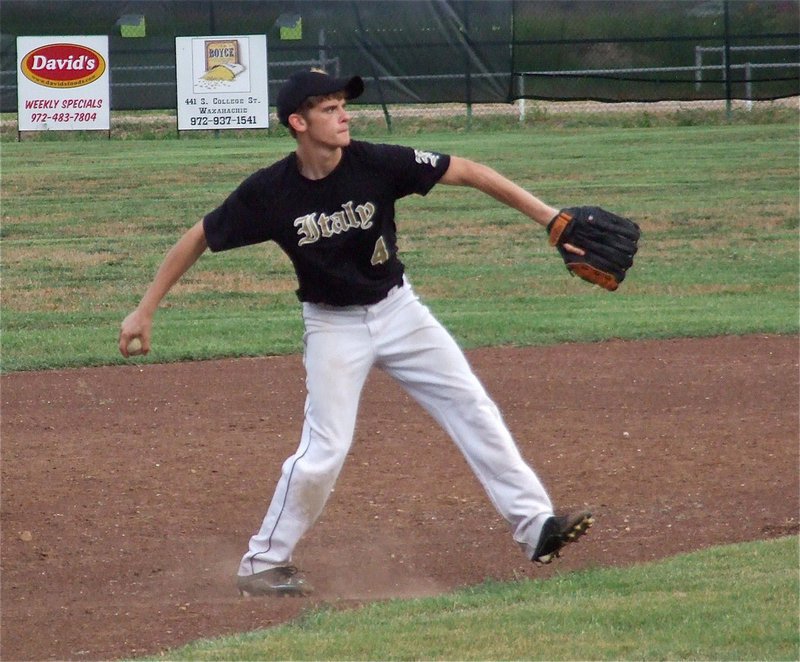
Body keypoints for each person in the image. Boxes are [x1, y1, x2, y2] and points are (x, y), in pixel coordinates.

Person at [119, 69, 592, 597]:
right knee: (325, 449)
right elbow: (199, 237)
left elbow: (470, 171)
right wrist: (144, 310)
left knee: (471, 407)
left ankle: (537, 527)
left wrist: (551, 220)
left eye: (343, 104)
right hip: (333, 326)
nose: (344, 114)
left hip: (400, 311)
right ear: (298, 122)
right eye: (328, 107)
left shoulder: (376, 162)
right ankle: (263, 562)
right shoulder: (270, 192)